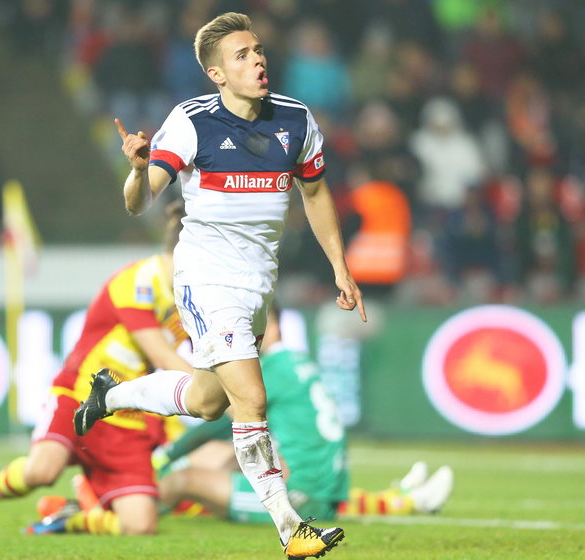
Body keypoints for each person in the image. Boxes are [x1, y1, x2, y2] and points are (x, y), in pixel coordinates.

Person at [73, 12, 366, 560]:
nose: (257, 60)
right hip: (206, 279)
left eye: (258, 50)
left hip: (259, 284)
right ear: (215, 73)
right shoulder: (190, 122)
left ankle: (108, 395)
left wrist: (339, 267)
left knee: (209, 401)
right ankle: (291, 530)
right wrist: (137, 170)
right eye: (241, 55)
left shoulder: (297, 121)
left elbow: (316, 194)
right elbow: (141, 201)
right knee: (250, 400)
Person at [0, 202, 192, 536]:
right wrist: (216, 391)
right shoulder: (138, 280)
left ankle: (70, 518)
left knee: (140, 526)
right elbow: (164, 357)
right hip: (80, 395)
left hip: (127, 417)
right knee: (41, 472)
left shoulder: (192, 295)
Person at [153, 306, 453, 521]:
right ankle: (401, 499)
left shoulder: (268, 370)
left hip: (299, 495)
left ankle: (126, 511)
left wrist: (168, 454)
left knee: (185, 480)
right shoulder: (296, 363)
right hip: (322, 485)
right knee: (218, 457)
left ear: (272, 328)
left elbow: (215, 419)